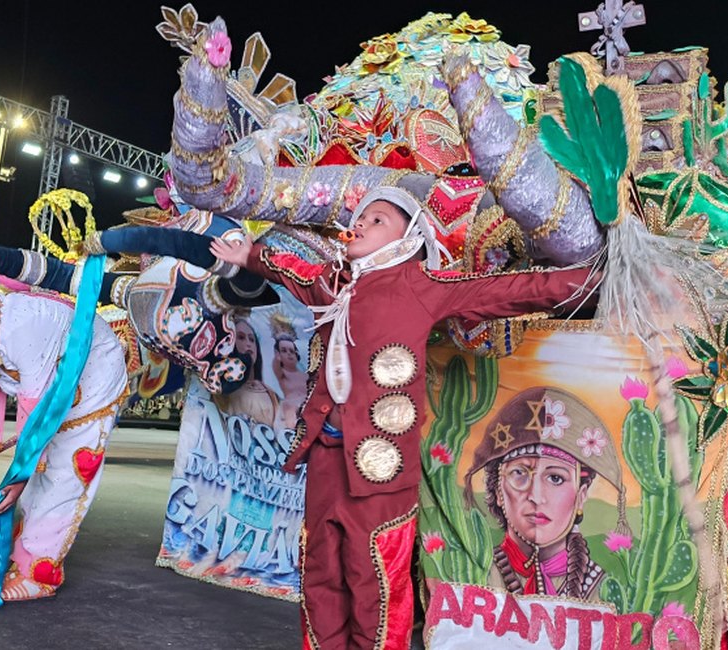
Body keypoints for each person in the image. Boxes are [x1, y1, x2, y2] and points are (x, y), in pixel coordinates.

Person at [207, 186, 600, 649]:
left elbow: (510, 291)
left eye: (376, 220)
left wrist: (595, 277)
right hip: (325, 458)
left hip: (380, 471)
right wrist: (248, 255)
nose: (360, 224)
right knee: (319, 575)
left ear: (408, 239)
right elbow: (291, 271)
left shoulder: (418, 285)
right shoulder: (332, 284)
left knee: (373, 580)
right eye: (359, 217)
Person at [0, 283, 128, 601]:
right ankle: (25, 553)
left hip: (93, 381)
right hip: (53, 388)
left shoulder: (24, 325)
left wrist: (19, 475)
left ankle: (39, 575)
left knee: (64, 476)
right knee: (40, 480)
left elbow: (34, 411)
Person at [464, 386, 628, 600]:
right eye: (519, 473)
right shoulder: (474, 571)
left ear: (581, 495)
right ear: (497, 489)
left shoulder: (602, 587)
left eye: (555, 478)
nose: (536, 496)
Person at [212, 314, 280, 427]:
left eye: (252, 339)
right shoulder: (219, 389)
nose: (248, 343)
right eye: (241, 337)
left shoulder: (271, 394)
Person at [270, 312, 308, 431]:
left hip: (307, 407)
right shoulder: (283, 374)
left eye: (292, 351)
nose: (289, 354)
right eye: (284, 351)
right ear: (278, 355)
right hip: (289, 410)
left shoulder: (305, 374)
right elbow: (275, 364)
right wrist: (280, 335)